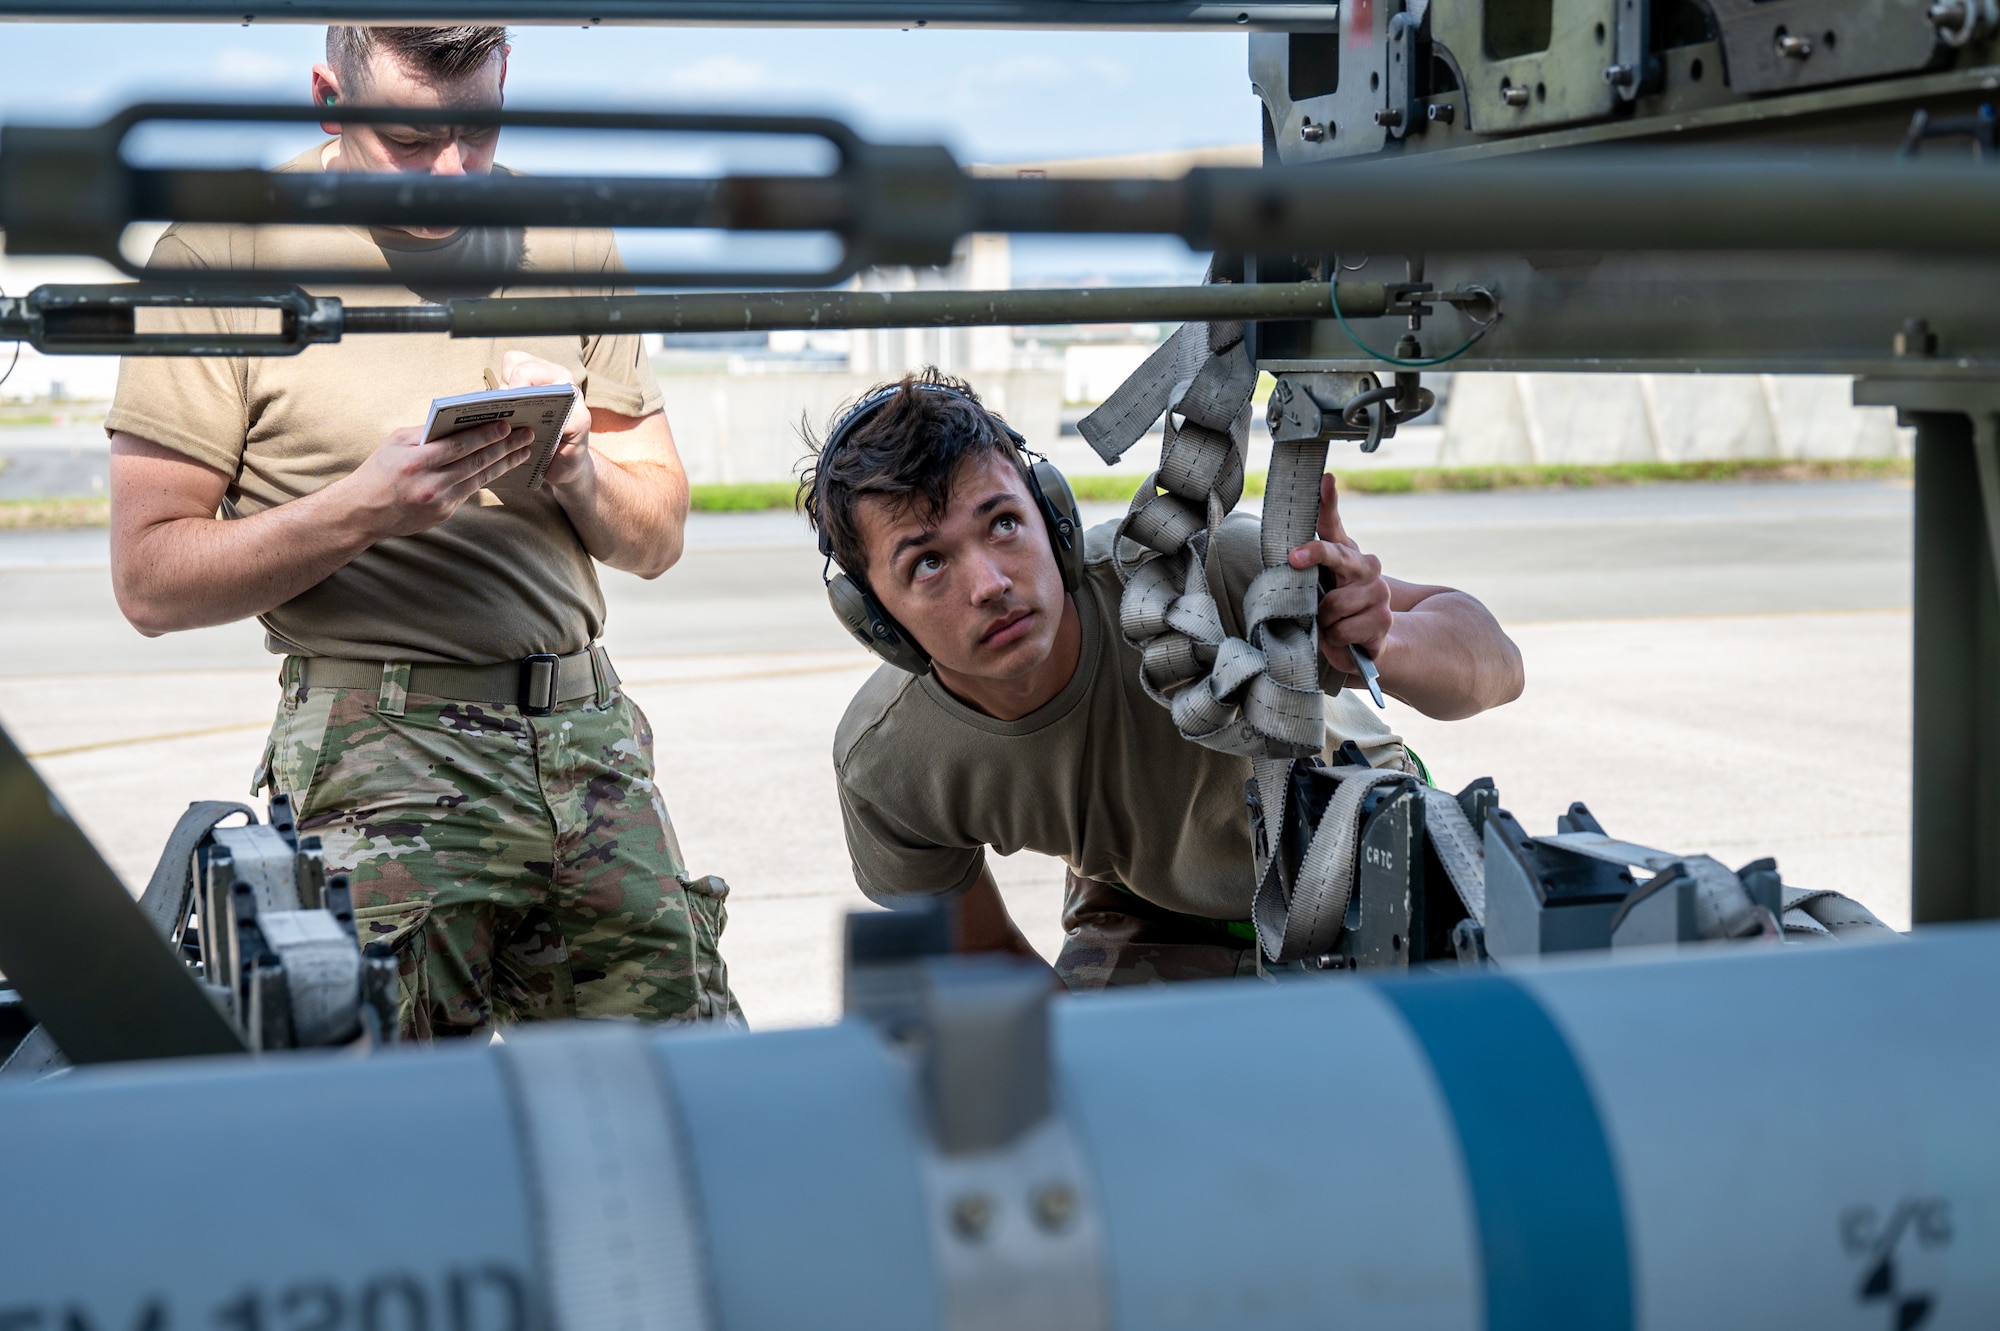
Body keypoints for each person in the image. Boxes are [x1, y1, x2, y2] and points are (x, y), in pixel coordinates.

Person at [104, 24, 738, 1037]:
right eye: (406, 140)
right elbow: (150, 578)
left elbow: (656, 532)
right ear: (326, 98)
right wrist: (365, 508)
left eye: (477, 133)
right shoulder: (218, 254)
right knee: (388, 1123)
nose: (450, 175)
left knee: (676, 1100)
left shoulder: (566, 234)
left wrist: (578, 465)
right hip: (379, 745)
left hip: (585, 739)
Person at [803, 370, 1524, 987]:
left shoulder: (1205, 577)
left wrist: (1383, 642)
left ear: (1052, 516)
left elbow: (1497, 665)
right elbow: (983, 962)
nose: (990, 583)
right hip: (1150, 901)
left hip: (1357, 848)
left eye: (1002, 524)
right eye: (927, 563)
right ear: (876, 620)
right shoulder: (890, 765)